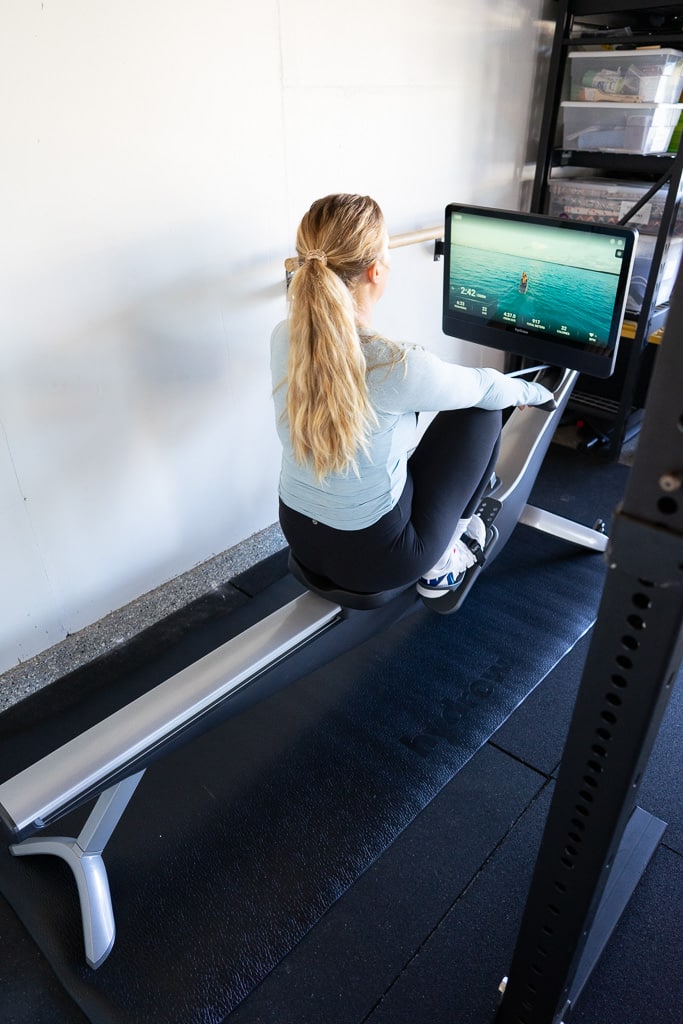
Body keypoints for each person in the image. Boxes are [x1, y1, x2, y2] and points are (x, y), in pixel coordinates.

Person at [271, 193, 553, 599]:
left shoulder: (284, 337)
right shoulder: (395, 365)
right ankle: (440, 567)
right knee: (481, 413)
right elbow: (488, 388)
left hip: (297, 534)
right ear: (375, 272)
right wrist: (537, 392)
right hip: (377, 559)